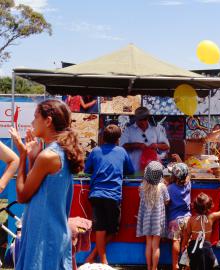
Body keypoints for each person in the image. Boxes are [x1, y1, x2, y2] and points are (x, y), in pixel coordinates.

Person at [9, 99, 85, 270]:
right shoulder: (56, 152)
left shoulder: (49, 156)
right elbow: (43, 189)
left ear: (48, 121)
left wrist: (22, 154)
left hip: (43, 235)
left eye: (36, 117)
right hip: (50, 232)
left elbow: (22, 196)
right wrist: (31, 157)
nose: (32, 122)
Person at [84, 124, 134, 264]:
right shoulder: (122, 152)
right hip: (113, 195)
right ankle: (101, 260)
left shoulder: (95, 151)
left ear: (102, 137)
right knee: (112, 230)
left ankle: (93, 257)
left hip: (96, 194)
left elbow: (87, 170)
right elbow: (130, 170)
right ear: (118, 139)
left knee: (100, 228)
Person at [136, 161, 170, 270]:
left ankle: (149, 267)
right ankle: (154, 268)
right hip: (157, 221)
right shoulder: (163, 187)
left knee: (148, 244)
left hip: (146, 220)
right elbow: (167, 201)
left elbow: (141, 197)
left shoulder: (142, 187)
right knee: (156, 246)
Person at [181, 192, 220, 270]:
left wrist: (183, 246)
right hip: (207, 249)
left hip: (193, 249)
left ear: (194, 206)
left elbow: (186, 235)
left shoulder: (191, 220)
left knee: (191, 266)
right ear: (209, 206)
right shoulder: (211, 217)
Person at [120, 106, 170, 172]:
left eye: (144, 119)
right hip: (135, 171)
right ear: (136, 119)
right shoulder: (128, 130)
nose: (142, 122)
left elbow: (166, 146)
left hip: (153, 172)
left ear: (147, 118)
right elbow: (122, 147)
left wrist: (156, 145)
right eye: (140, 120)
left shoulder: (156, 129)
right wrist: (136, 145)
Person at [166, 163, 191, 270]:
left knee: (176, 241)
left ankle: (175, 265)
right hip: (188, 219)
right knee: (187, 242)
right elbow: (188, 175)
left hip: (174, 220)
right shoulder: (188, 185)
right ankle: (186, 264)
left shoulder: (169, 188)